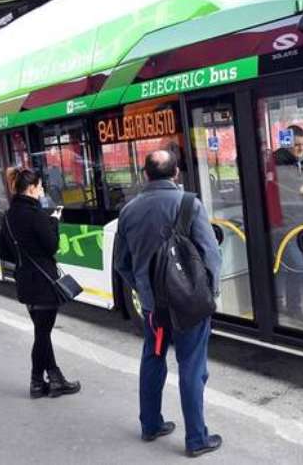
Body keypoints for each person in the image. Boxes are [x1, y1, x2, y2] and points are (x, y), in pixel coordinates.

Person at [115, 150, 223, 457]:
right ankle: (197, 439)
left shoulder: (128, 211)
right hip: (188, 306)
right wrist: (210, 294)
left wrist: (144, 290)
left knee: (154, 357)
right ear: (176, 173)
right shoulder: (189, 204)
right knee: (191, 367)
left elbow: (122, 264)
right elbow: (211, 255)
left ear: (145, 174)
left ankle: (150, 424)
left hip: (153, 309)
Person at [0, 167, 80, 399]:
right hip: (44, 283)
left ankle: (54, 379)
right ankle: (37, 381)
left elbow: (4, 251)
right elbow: (52, 245)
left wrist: (24, 259)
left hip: (25, 281)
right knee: (42, 334)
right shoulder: (36, 215)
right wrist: (54, 221)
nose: (42, 190)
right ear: (32, 188)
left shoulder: (9, 216)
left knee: (41, 331)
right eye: (41, 187)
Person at [271, 126, 303, 326]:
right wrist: (301, 187)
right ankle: (293, 308)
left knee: (281, 265)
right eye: (296, 145)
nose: (300, 149)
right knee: (296, 265)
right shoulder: (276, 161)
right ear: (286, 143)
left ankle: (277, 301)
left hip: (302, 221)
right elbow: (282, 181)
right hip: (282, 223)